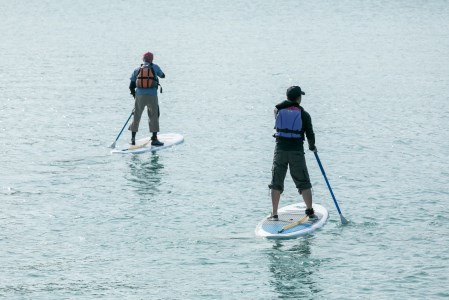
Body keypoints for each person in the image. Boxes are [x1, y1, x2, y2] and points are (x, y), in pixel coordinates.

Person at [268, 86, 317, 220]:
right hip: (296, 152)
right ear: (298, 98)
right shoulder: (304, 114)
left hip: (280, 150)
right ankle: (310, 211)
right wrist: (312, 147)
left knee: (276, 181)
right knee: (303, 181)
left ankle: (274, 213)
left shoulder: (277, 110)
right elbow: (310, 134)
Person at [128, 51, 165, 146]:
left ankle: (133, 139)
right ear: (151, 59)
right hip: (152, 95)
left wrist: (135, 97)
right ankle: (154, 139)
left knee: (136, 116)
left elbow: (131, 86)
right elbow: (163, 76)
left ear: (143, 59)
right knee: (154, 115)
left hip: (140, 96)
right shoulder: (155, 67)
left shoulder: (137, 70)